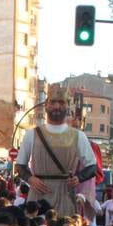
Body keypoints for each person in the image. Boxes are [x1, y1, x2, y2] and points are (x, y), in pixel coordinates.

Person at [14, 87, 98, 219]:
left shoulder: (78, 136)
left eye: (61, 102)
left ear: (67, 105)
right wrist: (30, 179)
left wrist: (79, 178)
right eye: (53, 102)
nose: (57, 106)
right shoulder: (32, 134)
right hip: (38, 196)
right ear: (46, 104)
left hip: (64, 194)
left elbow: (92, 166)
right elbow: (20, 165)